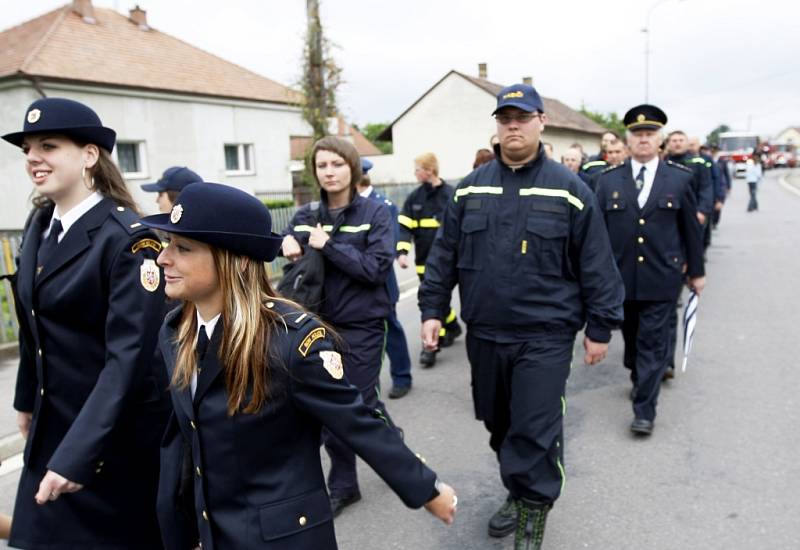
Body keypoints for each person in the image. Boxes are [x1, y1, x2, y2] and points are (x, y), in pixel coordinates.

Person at [145, 181, 456, 550]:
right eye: (167, 244)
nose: (164, 258)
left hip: (280, 538)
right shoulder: (175, 331)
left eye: (183, 248)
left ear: (237, 260)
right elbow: (185, 435)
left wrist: (426, 488)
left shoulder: (290, 341)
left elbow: (357, 422)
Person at [418, 83, 624, 550]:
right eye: (505, 118)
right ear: (497, 125)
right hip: (486, 334)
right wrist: (432, 310)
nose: (513, 125)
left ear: (540, 123)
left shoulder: (569, 190)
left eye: (522, 117)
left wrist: (599, 328)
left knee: (533, 428)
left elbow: (596, 262)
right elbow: (444, 256)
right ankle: (518, 489)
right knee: (499, 424)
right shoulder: (470, 188)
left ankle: (533, 511)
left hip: (545, 336)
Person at [2, 97, 169, 548]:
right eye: (28, 149)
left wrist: (78, 455)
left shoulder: (129, 241)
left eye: (49, 146)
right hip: (54, 426)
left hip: (110, 440)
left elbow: (129, 361)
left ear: (90, 155)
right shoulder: (40, 223)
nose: (34, 158)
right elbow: (33, 325)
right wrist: (25, 400)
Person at [281, 137, 399, 516]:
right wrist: (283, 242)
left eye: (337, 164)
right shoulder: (305, 215)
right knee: (335, 404)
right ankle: (357, 472)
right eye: (322, 166)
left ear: (352, 168)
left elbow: (375, 269)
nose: (329, 172)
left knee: (356, 402)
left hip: (362, 324)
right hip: (315, 325)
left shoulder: (376, 213)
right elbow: (287, 262)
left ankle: (367, 467)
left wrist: (328, 245)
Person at [594, 104, 706, 435]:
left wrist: (696, 272)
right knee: (631, 341)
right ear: (628, 141)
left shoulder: (680, 179)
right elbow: (597, 236)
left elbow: (691, 231)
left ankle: (645, 410)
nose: (643, 140)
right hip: (621, 279)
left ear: (659, 140)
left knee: (652, 344)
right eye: (637, 135)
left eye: (649, 134)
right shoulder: (608, 181)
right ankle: (639, 375)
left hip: (662, 278)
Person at [397, 152, 462, 369]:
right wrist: (402, 251)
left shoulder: (451, 195)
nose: (415, 173)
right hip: (425, 262)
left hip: (452, 261)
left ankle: (440, 337)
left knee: (439, 300)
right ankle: (442, 334)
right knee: (435, 299)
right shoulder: (414, 198)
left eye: (417, 169)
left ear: (429, 170)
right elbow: (404, 227)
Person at [356, 158, 414, 399]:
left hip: (380, 284)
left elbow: (387, 247)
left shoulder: (384, 205)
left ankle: (402, 376)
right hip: (355, 284)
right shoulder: (346, 205)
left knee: (391, 331)